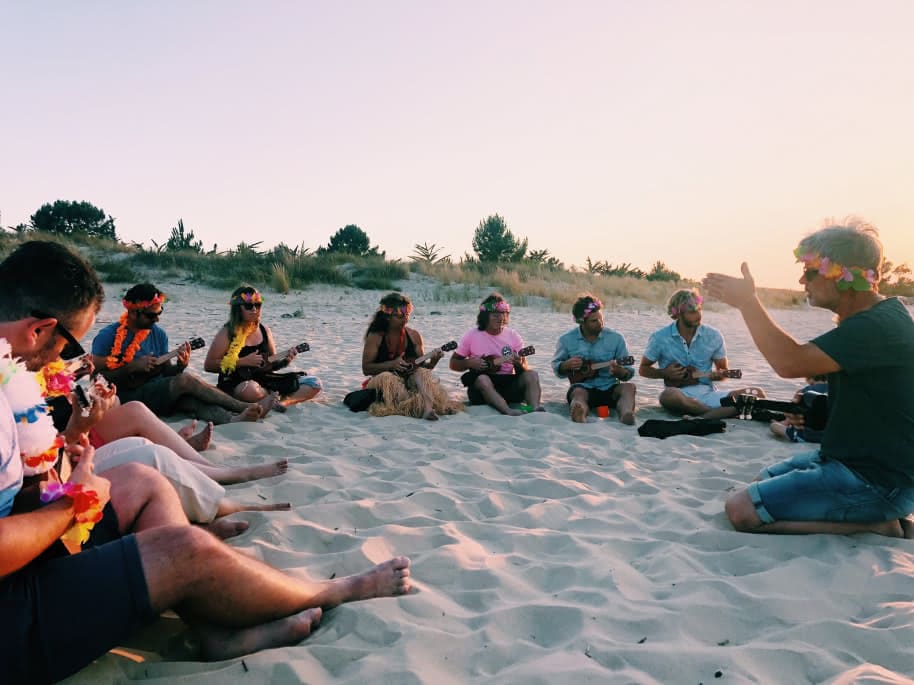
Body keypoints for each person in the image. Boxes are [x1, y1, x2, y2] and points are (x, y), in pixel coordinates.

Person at [0, 241, 412, 683]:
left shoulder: (10, 380)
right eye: (69, 347)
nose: (69, 362)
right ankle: (333, 589)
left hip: (36, 550)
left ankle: (215, 632)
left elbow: (23, 484)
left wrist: (76, 436)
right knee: (185, 549)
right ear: (39, 330)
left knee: (144, 481)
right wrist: (69, 505)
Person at [703, 218, 914, 537]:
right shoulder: (875, 320)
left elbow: (788, 363)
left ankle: (875, 525)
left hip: (876, 479)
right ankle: (864, 519)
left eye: (811, 270)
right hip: (852, 460)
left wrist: (747, 302)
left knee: (741, 510)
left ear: (842, 274)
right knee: (763, 481)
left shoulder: (876, 327)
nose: (802, 279)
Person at [91, 283, 275, 424]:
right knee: (185, 380)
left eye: (159, 312)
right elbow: (96, 379)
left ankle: (232, 420)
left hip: (157, 393)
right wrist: (131, 367)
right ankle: (246, 406)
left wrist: (180, 365)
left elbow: (166, 372)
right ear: (132, 312)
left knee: (191, 400)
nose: (157, 319)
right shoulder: (108, 336)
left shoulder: (158, 334)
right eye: (151, 315)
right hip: (125, 397)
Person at [638, 287, 765, 418]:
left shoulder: (714, 335)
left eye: (699, 309)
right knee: (667, 396)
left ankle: (704, 416)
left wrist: (718, 375)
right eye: (692, 311)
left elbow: (723, 372)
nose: (698, 314)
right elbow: (643, 369)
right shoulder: (660, 337)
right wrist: (663, 373)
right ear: (677, 313)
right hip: (678, 394)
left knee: (757, 393)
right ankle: (717, 414)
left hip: (709, 394)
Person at [204, 286, 322, 410]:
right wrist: (242, 362)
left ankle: (284, 402)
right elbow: (209, 365)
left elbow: (271, 363)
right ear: (238, 308)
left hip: (265, 380)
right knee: (248, 390)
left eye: (258, 305)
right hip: (236, 383)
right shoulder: (227, 333)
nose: (254, 309)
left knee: (314, 382)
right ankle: (272, 397)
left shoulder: (265, 330)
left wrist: (286, 360)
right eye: (249, 306)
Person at [360, 292, 462, 420]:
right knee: (388, 378)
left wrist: (433, 361)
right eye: (401, 314)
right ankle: (411, 405)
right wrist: (391, 364)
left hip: (409, 381)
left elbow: (424, 368)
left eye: (407, 312)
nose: (405, 317)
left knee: (422, 373)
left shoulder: (414, 336)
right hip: (384, 383)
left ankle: (428, 409)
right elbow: (366, 368)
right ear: (387, 316)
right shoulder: (375, 336)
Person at [449, 292, 543, 415]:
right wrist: (468, 363)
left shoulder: (513, 336)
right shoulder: (472, 335)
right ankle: (507, 410)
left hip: (507, 385)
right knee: (483, 379)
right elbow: (453, 363)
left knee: (532, 375)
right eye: (495, 315)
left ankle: (533, 408)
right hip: (481, 390)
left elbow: (523, 370)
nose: (500, 318)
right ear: (485, 316)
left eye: (503, 314)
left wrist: (518, 363)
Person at [552, 294, 637, 424]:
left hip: (610, 387)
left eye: (601, 319)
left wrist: (620, 372)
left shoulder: (616, 338)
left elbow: (628, 372)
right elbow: (557, 367)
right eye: (594, 321)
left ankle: (626, 414)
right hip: (583, 387)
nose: (600, 324)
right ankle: (580, 414)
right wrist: (566, 365)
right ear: (581, 322)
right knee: (578, 394)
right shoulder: (566, 340)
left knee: (629, 388)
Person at [768, 376, 828, 443]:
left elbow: (790, 419)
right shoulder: (835, 391)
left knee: (774, 426)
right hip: (829, 436)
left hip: (805, 436)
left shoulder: (802, 392)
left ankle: (793, 435)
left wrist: (780, 422)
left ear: (810, 378)